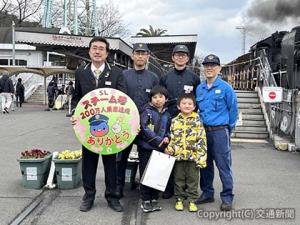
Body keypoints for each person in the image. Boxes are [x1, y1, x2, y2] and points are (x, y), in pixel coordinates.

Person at [71, 37, 126, 212]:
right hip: (88, 127)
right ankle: (89, 196)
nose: (97, 51)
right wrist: (74, 114)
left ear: (107, 53)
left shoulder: (117, 73)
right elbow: (77, 97)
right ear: (89, 51)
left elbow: (123, 100)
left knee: (111, 163)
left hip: (109, 127)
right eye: (94, 48)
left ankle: (112, 197)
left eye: (101, 49)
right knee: (89, 162)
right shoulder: (81, 72)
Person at [116, 43, 159, 198]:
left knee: (146, 157)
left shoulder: (154, 78)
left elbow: (157, 100)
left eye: (144, 53)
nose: (140, 56)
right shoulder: (123, 75)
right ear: (132, 55)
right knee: (120, 158)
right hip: (125, 123)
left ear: (148, 56)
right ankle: (118, 188)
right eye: (137, 53)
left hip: (146, 125)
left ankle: (146, 190)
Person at [195, 54, 238, 211]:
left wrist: (228, 128)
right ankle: (207, 193)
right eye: (206, 65)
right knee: (204, 165)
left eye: (213, 65)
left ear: (219, 68)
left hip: (220, 131)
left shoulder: (226, 88)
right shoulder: (200, 88)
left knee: (223, 165)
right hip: (203, 132)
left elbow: (233, 110)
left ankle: (227, 197)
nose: (209, 68)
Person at [160, 44, 200, 199]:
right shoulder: (165, 77)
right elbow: (161, 98)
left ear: (188, 58)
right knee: (168, 152)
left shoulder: (194, 78)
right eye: (178, 55)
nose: (180, 57)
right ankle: (168, 187)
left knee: (186, 153)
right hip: (169, 120)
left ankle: (186, 189)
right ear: (173, 57)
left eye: (184, 55)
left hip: (188, 123)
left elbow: (198, 101)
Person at [165, 93, 207, 212]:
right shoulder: (174, 121)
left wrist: (201, 157)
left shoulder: (198, 121)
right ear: (179, 106)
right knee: (178, 179)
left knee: (192, 180)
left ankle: (192, 200)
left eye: (190, 104)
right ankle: (179, 199)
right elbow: (172, 138)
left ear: (194, 107)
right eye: (184, 103)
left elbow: (202, 139)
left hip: (193, 156)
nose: (187, 106)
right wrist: (170, 148)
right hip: (178, 156)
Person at [135, 85, 171, 213]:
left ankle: (154, 198)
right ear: (150, 99)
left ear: (166, 99)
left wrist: (167, 137)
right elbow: (144, 128)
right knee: (146, 173)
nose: (158, 99)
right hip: (146, 148)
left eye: (161, 97)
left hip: (160, 149)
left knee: (157, 174)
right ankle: (145, 199)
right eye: (154, 97)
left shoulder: (167, 113)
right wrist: (158, 140)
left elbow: (168, 130)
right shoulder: (146, 111)